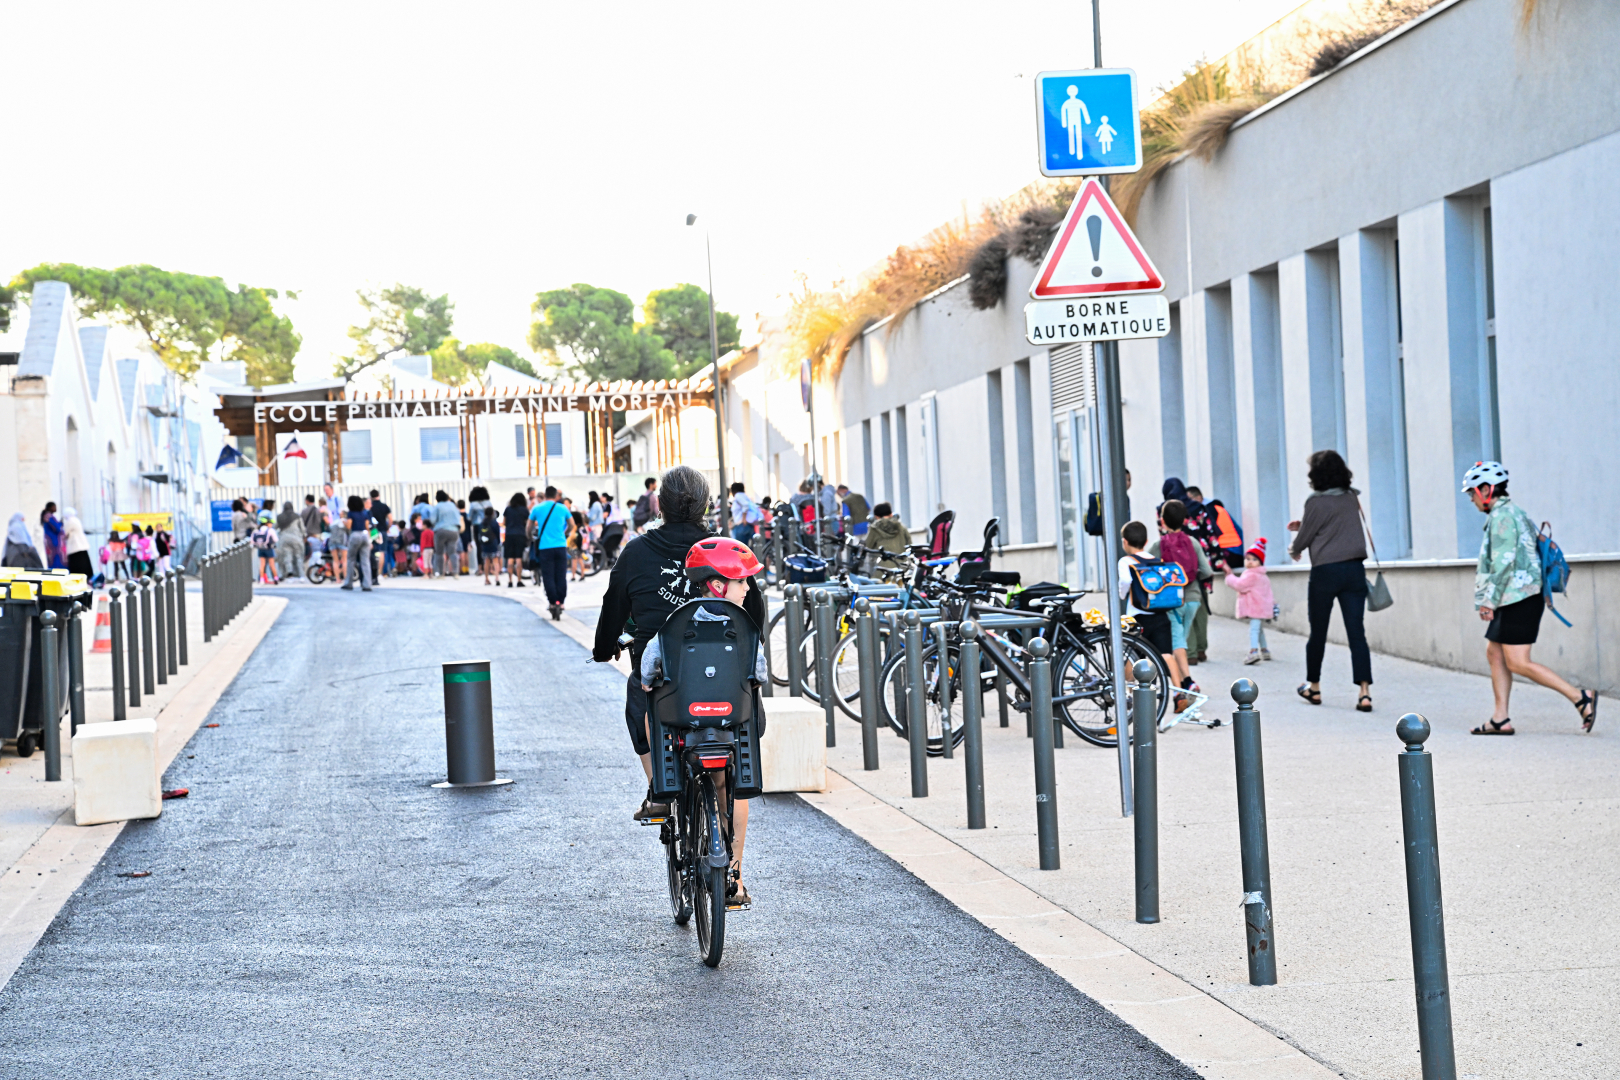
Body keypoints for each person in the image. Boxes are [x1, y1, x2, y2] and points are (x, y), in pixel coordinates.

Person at [593, 466, 765, 822]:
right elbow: (755, 616)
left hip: (664, 686)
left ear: (659, 504)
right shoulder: (726, 551)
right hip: (726, 681)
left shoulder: (637, 552)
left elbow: (613, 608)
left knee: (637, 704)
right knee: (730, 778)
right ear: (706, 506)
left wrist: (604, 647)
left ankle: (659, 786)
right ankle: (736, 874)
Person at [640, 536, 767, 906]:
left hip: (685, 724)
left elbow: (649, 669)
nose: (747, 588)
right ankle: (735, 875)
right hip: (731, 726)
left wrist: (651, 683)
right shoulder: (744, 628)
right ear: (717, 584)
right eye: (741, 580)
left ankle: (667, 794)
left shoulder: (675, 625)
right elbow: (758, 674)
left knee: (655, 717)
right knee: (730, 786)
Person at [1461, 462, 1596, 734]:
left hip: (1519, 597)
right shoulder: (1511, 513)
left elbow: (1503, 563)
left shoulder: (1503, 517)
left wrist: (1489, 600)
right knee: (1495, 652)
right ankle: (1500, 718)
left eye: (1472, 493)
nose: (1471, 499)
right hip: (1516, 595)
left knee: (1518, 661)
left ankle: (1580, 697)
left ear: (1486, 490)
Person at [1287, 449, 1373, 712]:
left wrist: (1295, 547)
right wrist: (1305, 525)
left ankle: (1313, 688)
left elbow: (1308, 535)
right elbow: (1336, 523)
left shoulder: (1315, 501)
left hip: (1325, 572)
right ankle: (1364, 693)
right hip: (1354, 570)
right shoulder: (1351, 497)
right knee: (1356, 632)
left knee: (1318, 632)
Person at [1150, 500, 1204, 705]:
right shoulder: (1194, 542)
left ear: (1162, 521)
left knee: (1177, 640)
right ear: (1185, 520)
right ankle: (1184, 680)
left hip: (1171, 600)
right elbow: (1206, 570)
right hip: (1193, 599)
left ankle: (1188, 682)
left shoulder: (1158, 545)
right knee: (1181, 638)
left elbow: (1149, 570)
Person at [1118, 520, 1179, 687]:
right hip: (1159, 614)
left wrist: (1122, 594)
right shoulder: (1156, 559)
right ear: (1146, 542)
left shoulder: (1126, 561)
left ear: (1125, 542)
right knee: (1166, 654)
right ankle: (1180, 693)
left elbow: (1125, 581)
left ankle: (1128, 697)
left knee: (1133, 657)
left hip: (1137, 617)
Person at [1181, 484, 1217, 663]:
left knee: (1186, 614)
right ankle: (1202, 649)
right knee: (1201, 611)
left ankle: (1191, 653)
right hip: (1202, 570)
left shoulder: (1169, 513)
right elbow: (1212, 538)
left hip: (1180, 577)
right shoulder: (1202, 511)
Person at [1225, 539, 1275, 666]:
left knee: (1254, 629)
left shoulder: (1252, 575)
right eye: (1247, 558)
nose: (1250, 562)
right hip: (1261, 607)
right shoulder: (1262, 575)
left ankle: (1253, 652)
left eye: (1254, 559)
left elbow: (1240, 585)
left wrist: (1229, 576)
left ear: (1260, 562)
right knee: (1259, 629)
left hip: (1255, 607)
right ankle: (1265, 650)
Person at [528, 485, 575, 612]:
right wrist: (565, 533)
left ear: (544, 495)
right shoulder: (562, 508)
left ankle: (553, 603)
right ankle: (562, 602)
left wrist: (530, 537)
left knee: (548, 575)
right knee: (561, 575)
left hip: (545, 547)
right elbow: (572, 524)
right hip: (560, 546)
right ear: (556, 496)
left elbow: (529, 526)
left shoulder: (537, 508)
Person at [341, 495, 373, 592]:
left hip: (355, 535)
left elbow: (349, 525)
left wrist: (344, 521)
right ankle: (367, 584)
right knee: (365, 561)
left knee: (351, 559)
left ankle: (348, 583)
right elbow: (367, 526)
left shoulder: (351, 513)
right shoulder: (364, 513)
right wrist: (370, 540)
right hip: (365, 535)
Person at [501, 493, 528, 587]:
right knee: (518, 558)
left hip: (509, 535)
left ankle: (510, 580)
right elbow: (527, 523)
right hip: (520, 534)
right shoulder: (524, 510)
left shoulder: (508, 509)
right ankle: (519, 580)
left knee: (510, 558)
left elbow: (504, 522)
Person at [431, 490, 461, 577]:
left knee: (439, 553)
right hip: (454, 531)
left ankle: (440, 573)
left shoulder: (438, 506)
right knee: (452, 552)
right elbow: (458, 518)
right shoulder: (452, 505)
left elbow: (432, 520)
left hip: (441, 530)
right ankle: (455, 572)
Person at [324, 483, 348, 584]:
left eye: (327, 489)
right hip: (334, 528)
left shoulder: (337, 499)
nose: (326, 491)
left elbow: (341, 512)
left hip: (337, 527)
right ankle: (339, 578)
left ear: (332, 489)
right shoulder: (328, 502)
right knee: (337, 557)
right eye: (325, 490)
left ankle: (345, 577)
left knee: (343, 556)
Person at [63, 508, 93, 578]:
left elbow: (65, 532)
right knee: (84, 561)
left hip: (75, 545)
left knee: (77, 563)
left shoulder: (70, 521)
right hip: (81, 544)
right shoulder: (76, 519)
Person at [251, 511, 280, 584]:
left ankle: (261, 579)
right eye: (270, 523)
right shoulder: (270, 530)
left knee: (262, 564)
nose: (271, 524)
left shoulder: (256, 530)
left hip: (260, 549)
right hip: (269, 548)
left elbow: (252, 540)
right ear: (267, 523)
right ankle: (276, 578)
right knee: (272, 564)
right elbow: (276, 539)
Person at [476, 506, 502, 585]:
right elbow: (497, 533)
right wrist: (497, 542)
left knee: (486, 561)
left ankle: (486, 579)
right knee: (495, 561)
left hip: (485, 544)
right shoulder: (494, 522)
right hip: (493, 543)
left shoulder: (482, 523)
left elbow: (479, 533)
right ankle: (497, 578)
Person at [40, 504, 66, 569]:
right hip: (54, 542)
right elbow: (57, 528)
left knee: (51, 560)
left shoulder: (47, 516)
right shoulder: (49, 517)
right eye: (54, 506)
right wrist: (61, 523)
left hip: (50, 542)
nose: (55, 508)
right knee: (56, 561)